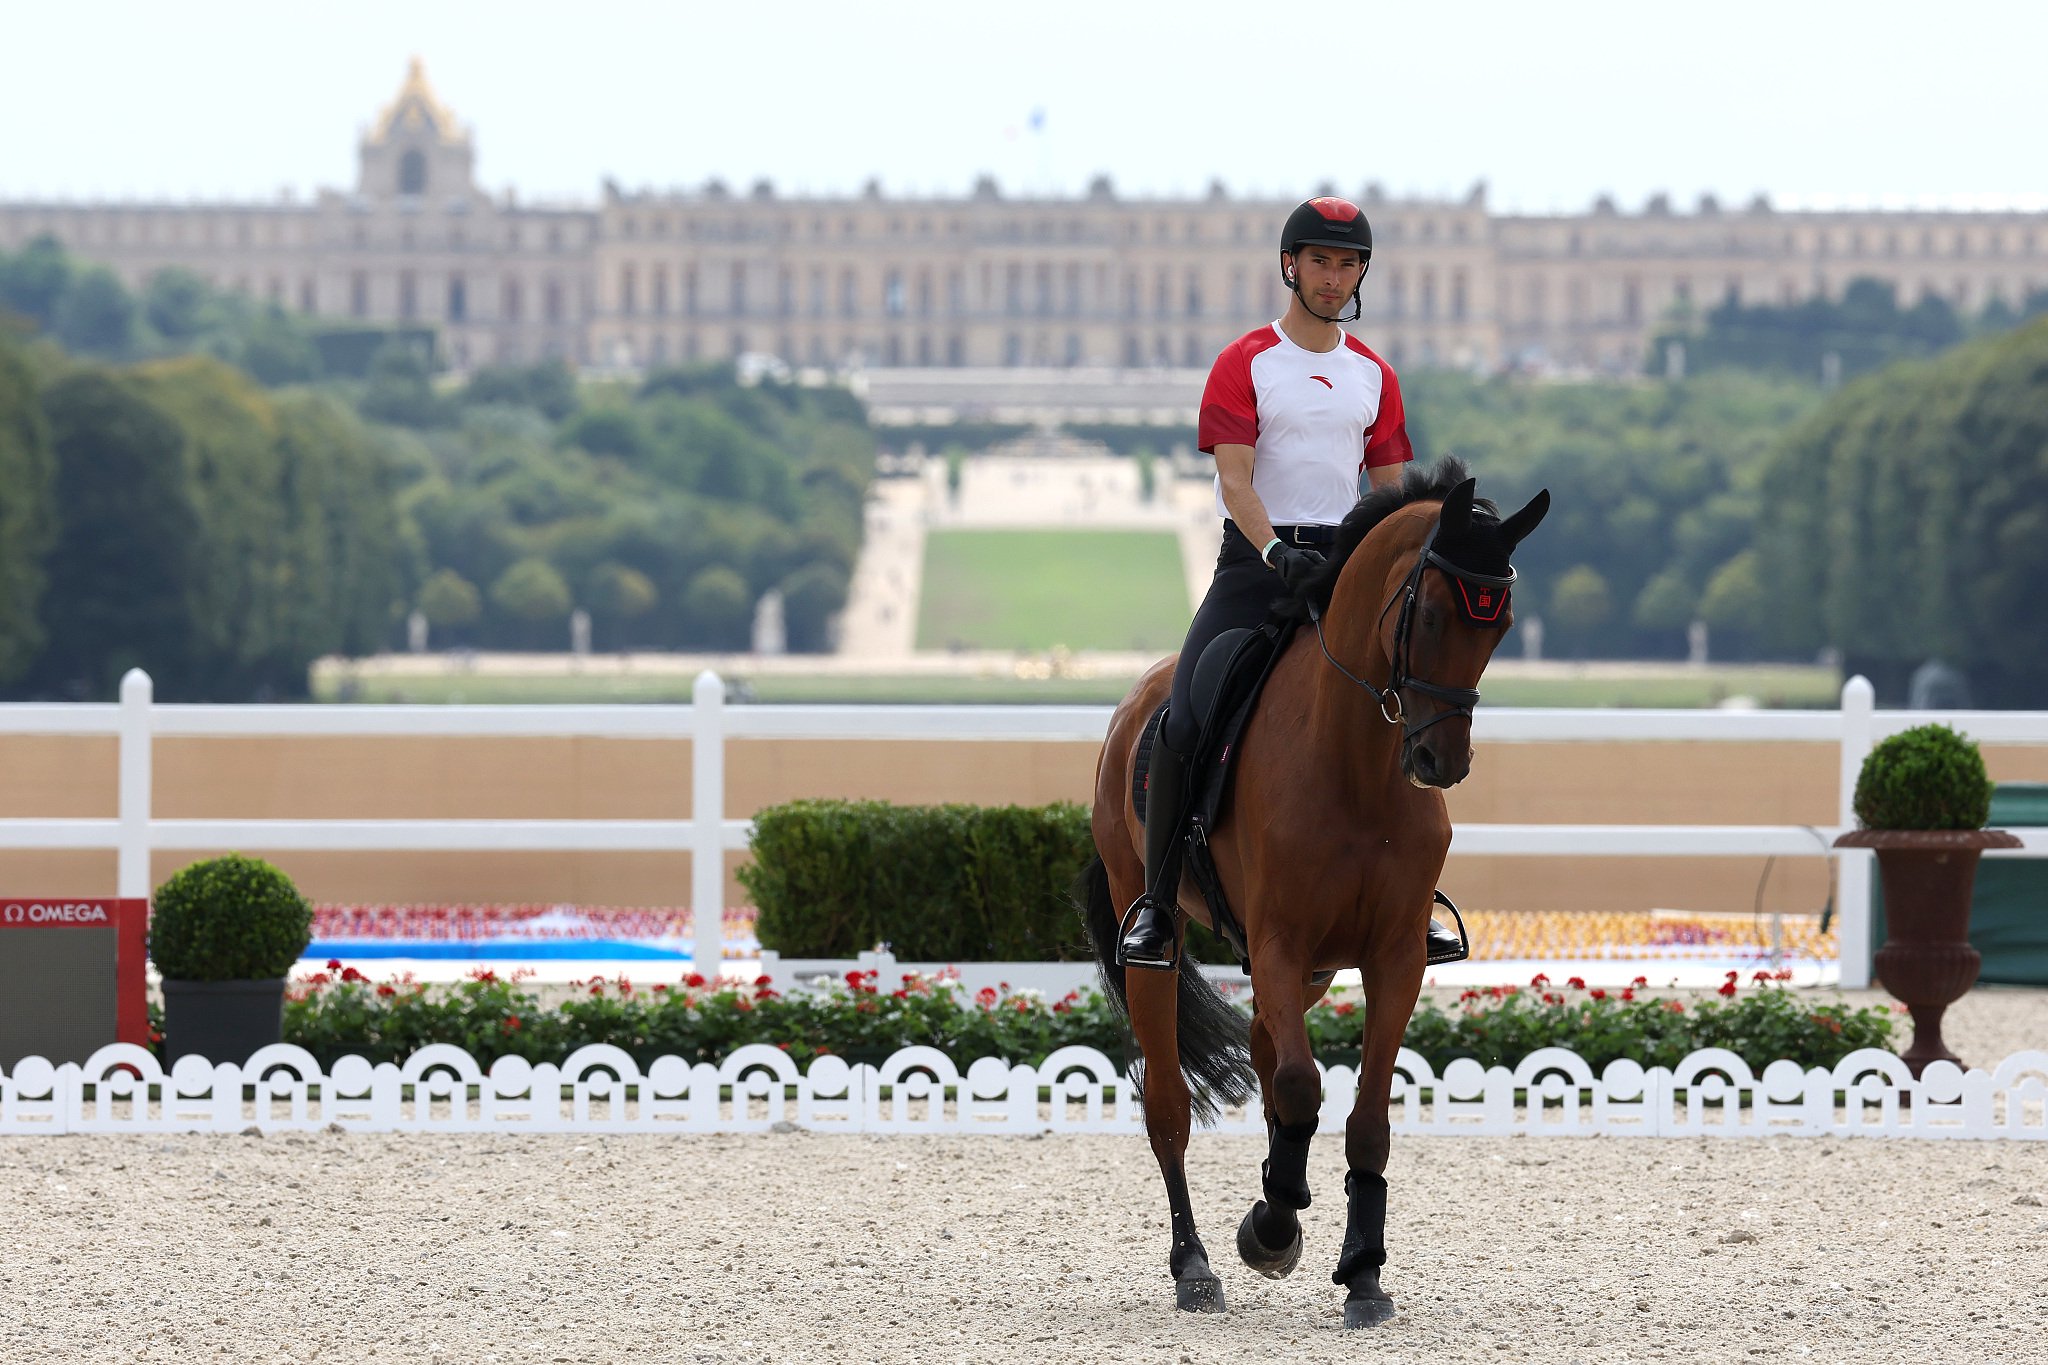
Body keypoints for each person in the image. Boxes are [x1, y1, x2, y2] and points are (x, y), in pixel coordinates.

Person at [1119, 195, 1459, 970]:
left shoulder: (1376, 373)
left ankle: (1421, 898)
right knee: (1186, 714)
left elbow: (1390, 488)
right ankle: (1158, 904)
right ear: (1290, 266)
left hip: (1347, 567)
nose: (1334, 278)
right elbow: (1236, 482)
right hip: (1256, 565)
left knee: (1416, 702)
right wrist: (1275, 552)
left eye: (1347, 265)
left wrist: (1375, 560)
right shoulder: (1245, 362)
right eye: (1320, 262)